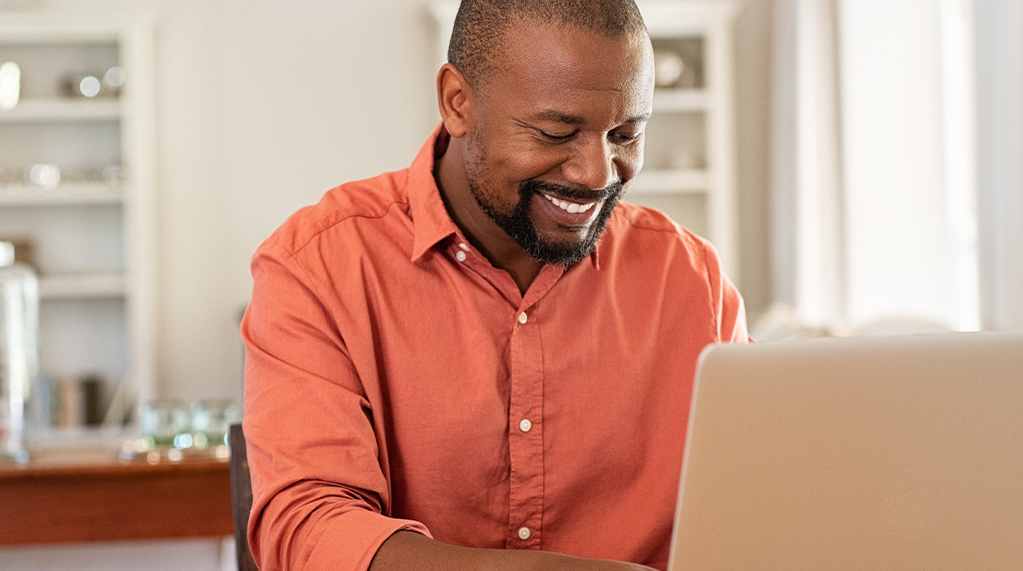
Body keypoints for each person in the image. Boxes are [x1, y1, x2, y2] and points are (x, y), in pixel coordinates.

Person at [240, 1, 749, 570]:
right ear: (457, 103)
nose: (597, 173)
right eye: (557, 132)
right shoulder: (318, 266)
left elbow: (759, 505)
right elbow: (309, 531)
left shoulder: (691, 281)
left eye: (626, 134)